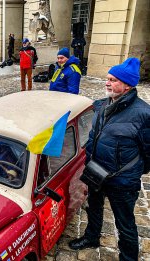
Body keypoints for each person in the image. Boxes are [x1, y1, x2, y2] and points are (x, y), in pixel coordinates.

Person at [68, 58, 150, 261]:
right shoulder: (103, 104)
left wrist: (132, 172)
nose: (107, 83)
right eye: (107, 78)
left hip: (121, 181)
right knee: (93, 209)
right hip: (96, 172)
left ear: (128, 85)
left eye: (113, 80)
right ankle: (92, 237)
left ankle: (128, 257)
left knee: (125, 223)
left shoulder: (144, 114)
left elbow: (149, 153)